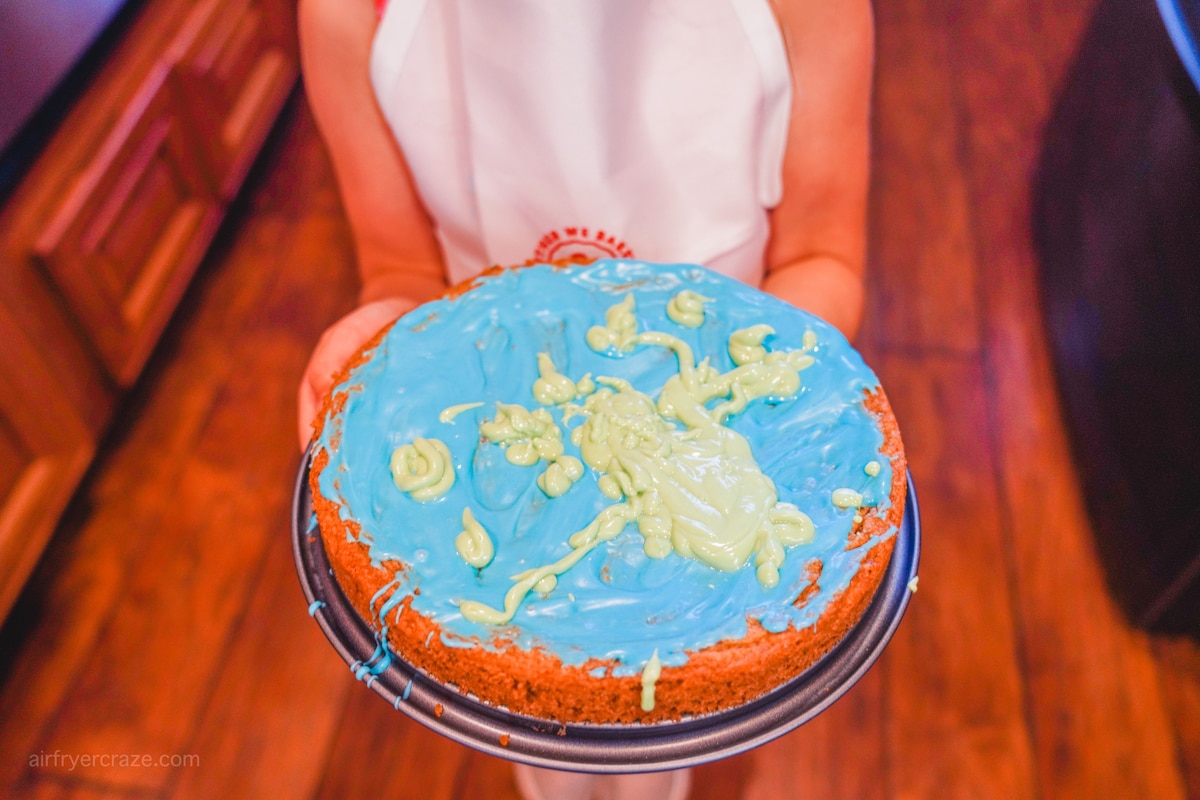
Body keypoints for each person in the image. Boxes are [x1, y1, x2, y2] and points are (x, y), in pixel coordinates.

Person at [295, 0, 873, 796]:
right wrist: (381, 338)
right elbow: (400, 267)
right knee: (544, 735)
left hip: (714, 459)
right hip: (496, 481)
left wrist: (732, 415)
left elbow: (823, 255)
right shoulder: (346, 14)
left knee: (659, 745)